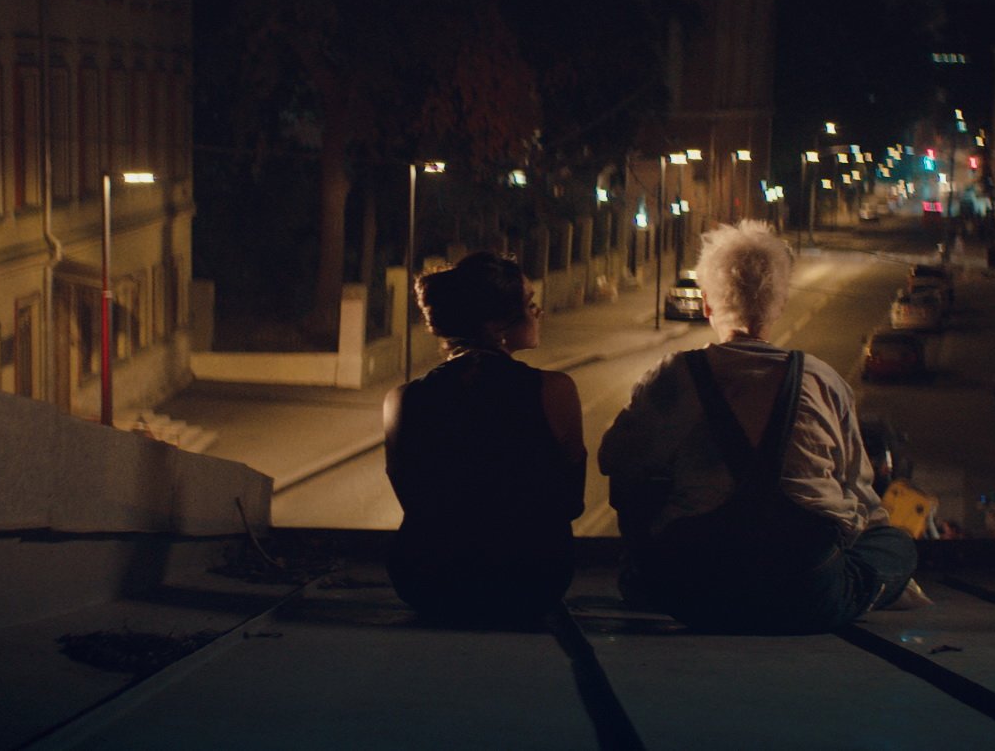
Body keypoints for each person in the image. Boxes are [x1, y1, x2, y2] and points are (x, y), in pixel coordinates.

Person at [601, 221, 926, 633]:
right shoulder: (822, 380)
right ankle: (855, 589)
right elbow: (858, 494)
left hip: (696, 592)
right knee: (897, 546)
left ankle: (643, 579)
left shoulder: (673, 377)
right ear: (780, 304)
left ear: (707, 305)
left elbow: (617, 461)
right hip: (805, 592)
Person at [383, 252, 586, 624]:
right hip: (532, 582)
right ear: (496, 325)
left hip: (427, 582)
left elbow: (412, 499)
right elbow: (571, 502)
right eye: (530, 304)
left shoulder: (402, 399)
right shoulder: (554, 390)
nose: (538, 313)